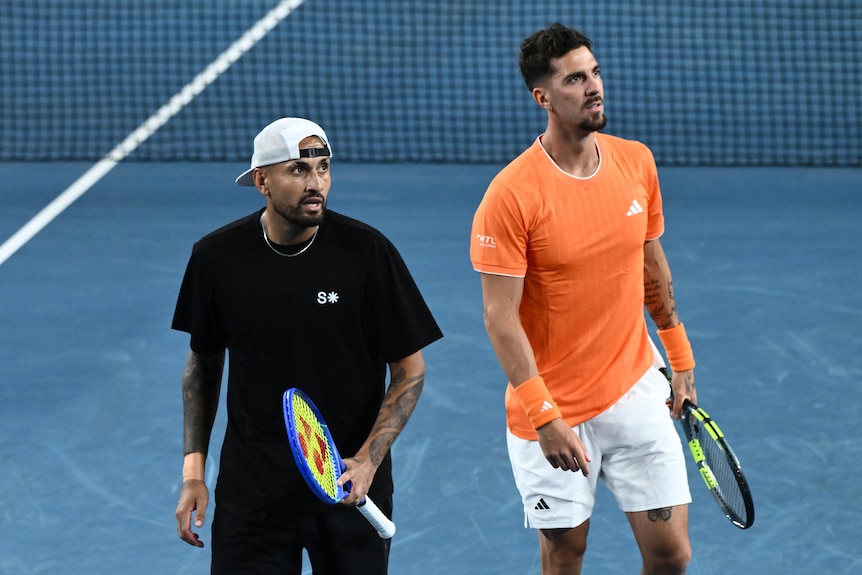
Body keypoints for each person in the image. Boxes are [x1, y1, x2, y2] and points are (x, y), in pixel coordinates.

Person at [470, 23, 697, 574]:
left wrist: (680, 357)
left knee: (672, 557)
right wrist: (544, 415)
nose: (593, 86)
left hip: (635, 388)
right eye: (574, 79)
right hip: (554, 409)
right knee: (565, 555)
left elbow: (650, 262)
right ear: (542, 98)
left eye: (594, 72)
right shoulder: (511, 195)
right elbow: (499, 317)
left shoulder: (636, 163)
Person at [173, 117, 443, 574]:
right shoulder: (216, 258)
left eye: (323, 167)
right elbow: (203, 364)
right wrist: (193, 474)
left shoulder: (368, 253)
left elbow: (409, 370)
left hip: (348, 488)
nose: (316, 183)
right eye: (298, 170)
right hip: (253, 494)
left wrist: (367, 461)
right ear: (262, 181)